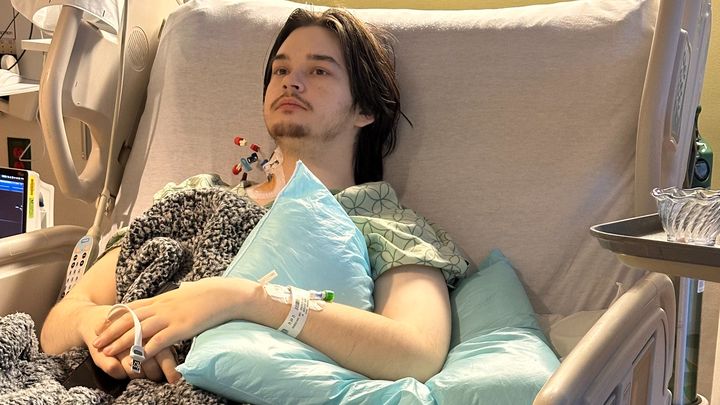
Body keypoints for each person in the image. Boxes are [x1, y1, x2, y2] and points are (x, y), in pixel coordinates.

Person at [40, 8, 469, 386]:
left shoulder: (384, 224)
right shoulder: (195, 195)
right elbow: (60, 320)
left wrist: (241, 299)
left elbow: (418, 353)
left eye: (319, 71)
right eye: (280, 71)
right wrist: (108, 327)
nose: (291, 82)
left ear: (365, 110)